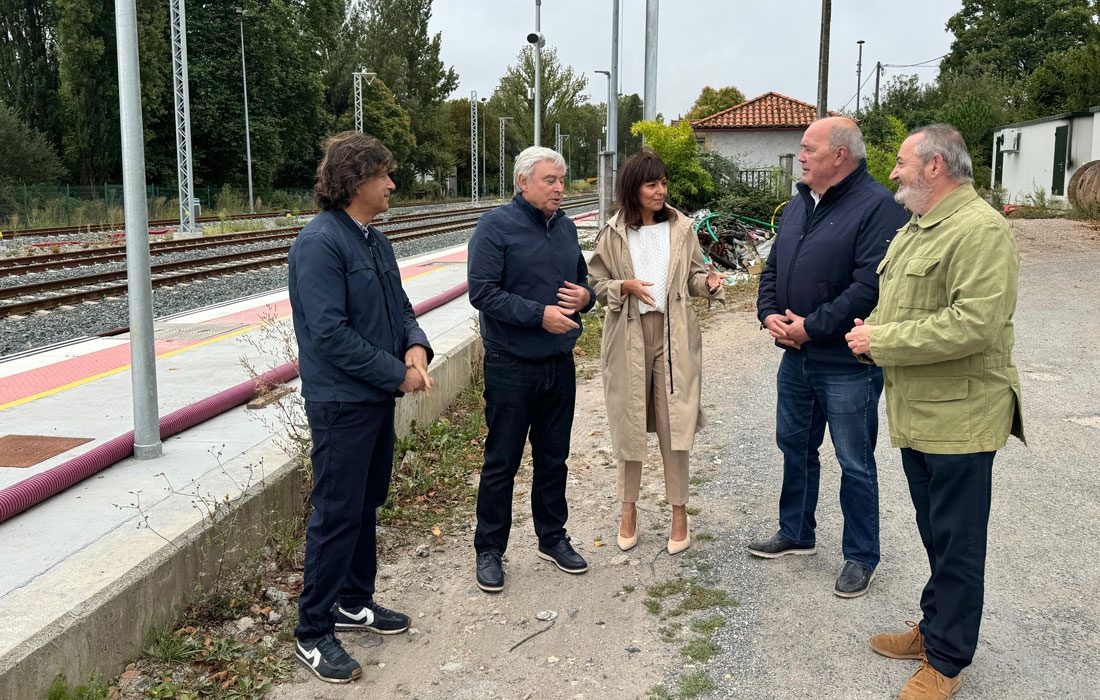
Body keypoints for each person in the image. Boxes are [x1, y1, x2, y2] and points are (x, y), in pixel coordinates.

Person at [845, 124, 1024, 700]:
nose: (892, 172)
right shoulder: (919, 227)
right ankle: (934, 629)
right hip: (922, 414)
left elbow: (974, 324)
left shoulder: (980, 230)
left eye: (901, 162)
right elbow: (901, 305)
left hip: (961, 419)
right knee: (936, 536)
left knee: (958, 544)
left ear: (935, 166)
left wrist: (882, 340)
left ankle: (946, 661)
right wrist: (870, 332)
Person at [287, 131, 433, 683]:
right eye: (383, 175)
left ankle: (353, 601)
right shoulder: (320, 244)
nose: (392, 184)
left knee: (365, 503)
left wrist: (415, 345)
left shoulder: (375, 240)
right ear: (354, 182)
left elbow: (401, 308)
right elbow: (329, 334)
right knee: (336, 512)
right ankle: (312, 632)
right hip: (340, 403)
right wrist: (397, 374)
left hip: (373, 399)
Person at [750, 116, 910, 598]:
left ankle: (861, 556)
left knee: (854, 460)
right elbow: (773, 267)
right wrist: (768, 314)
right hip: (794, 355)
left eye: (808, 148)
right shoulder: (801, 202)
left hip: (845, 362)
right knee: (795, 447)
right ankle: (797, 532)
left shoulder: (878, 206)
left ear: (840, 155)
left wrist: (811, 328)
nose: (800, 156)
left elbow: (868, 287)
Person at [467, 146, 596, 593]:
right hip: (511, 363)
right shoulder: (495, 227)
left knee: (554, 457)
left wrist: (586, 298)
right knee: (502, 461)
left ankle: (552, 537)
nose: (560, 188)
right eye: (550, 180)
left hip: (558, 363)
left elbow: (581, 282)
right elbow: (482, 292)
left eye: (562, 180)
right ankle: (489, 549)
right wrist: (539, 315)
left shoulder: (565, 228)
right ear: (523, 182)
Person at [587, 149, 723, 555]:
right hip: (627, 333)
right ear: (634, 188)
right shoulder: (613, 232)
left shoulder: (681, 227)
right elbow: (596, 284)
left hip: (673, 332)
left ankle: (679, 514)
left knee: (673, 425)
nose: (661, 190)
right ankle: (627, 511)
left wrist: (707, 285)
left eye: (663, 183)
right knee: (628, 423)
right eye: (651, 184)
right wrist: (623, 286)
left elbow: (694, 275)